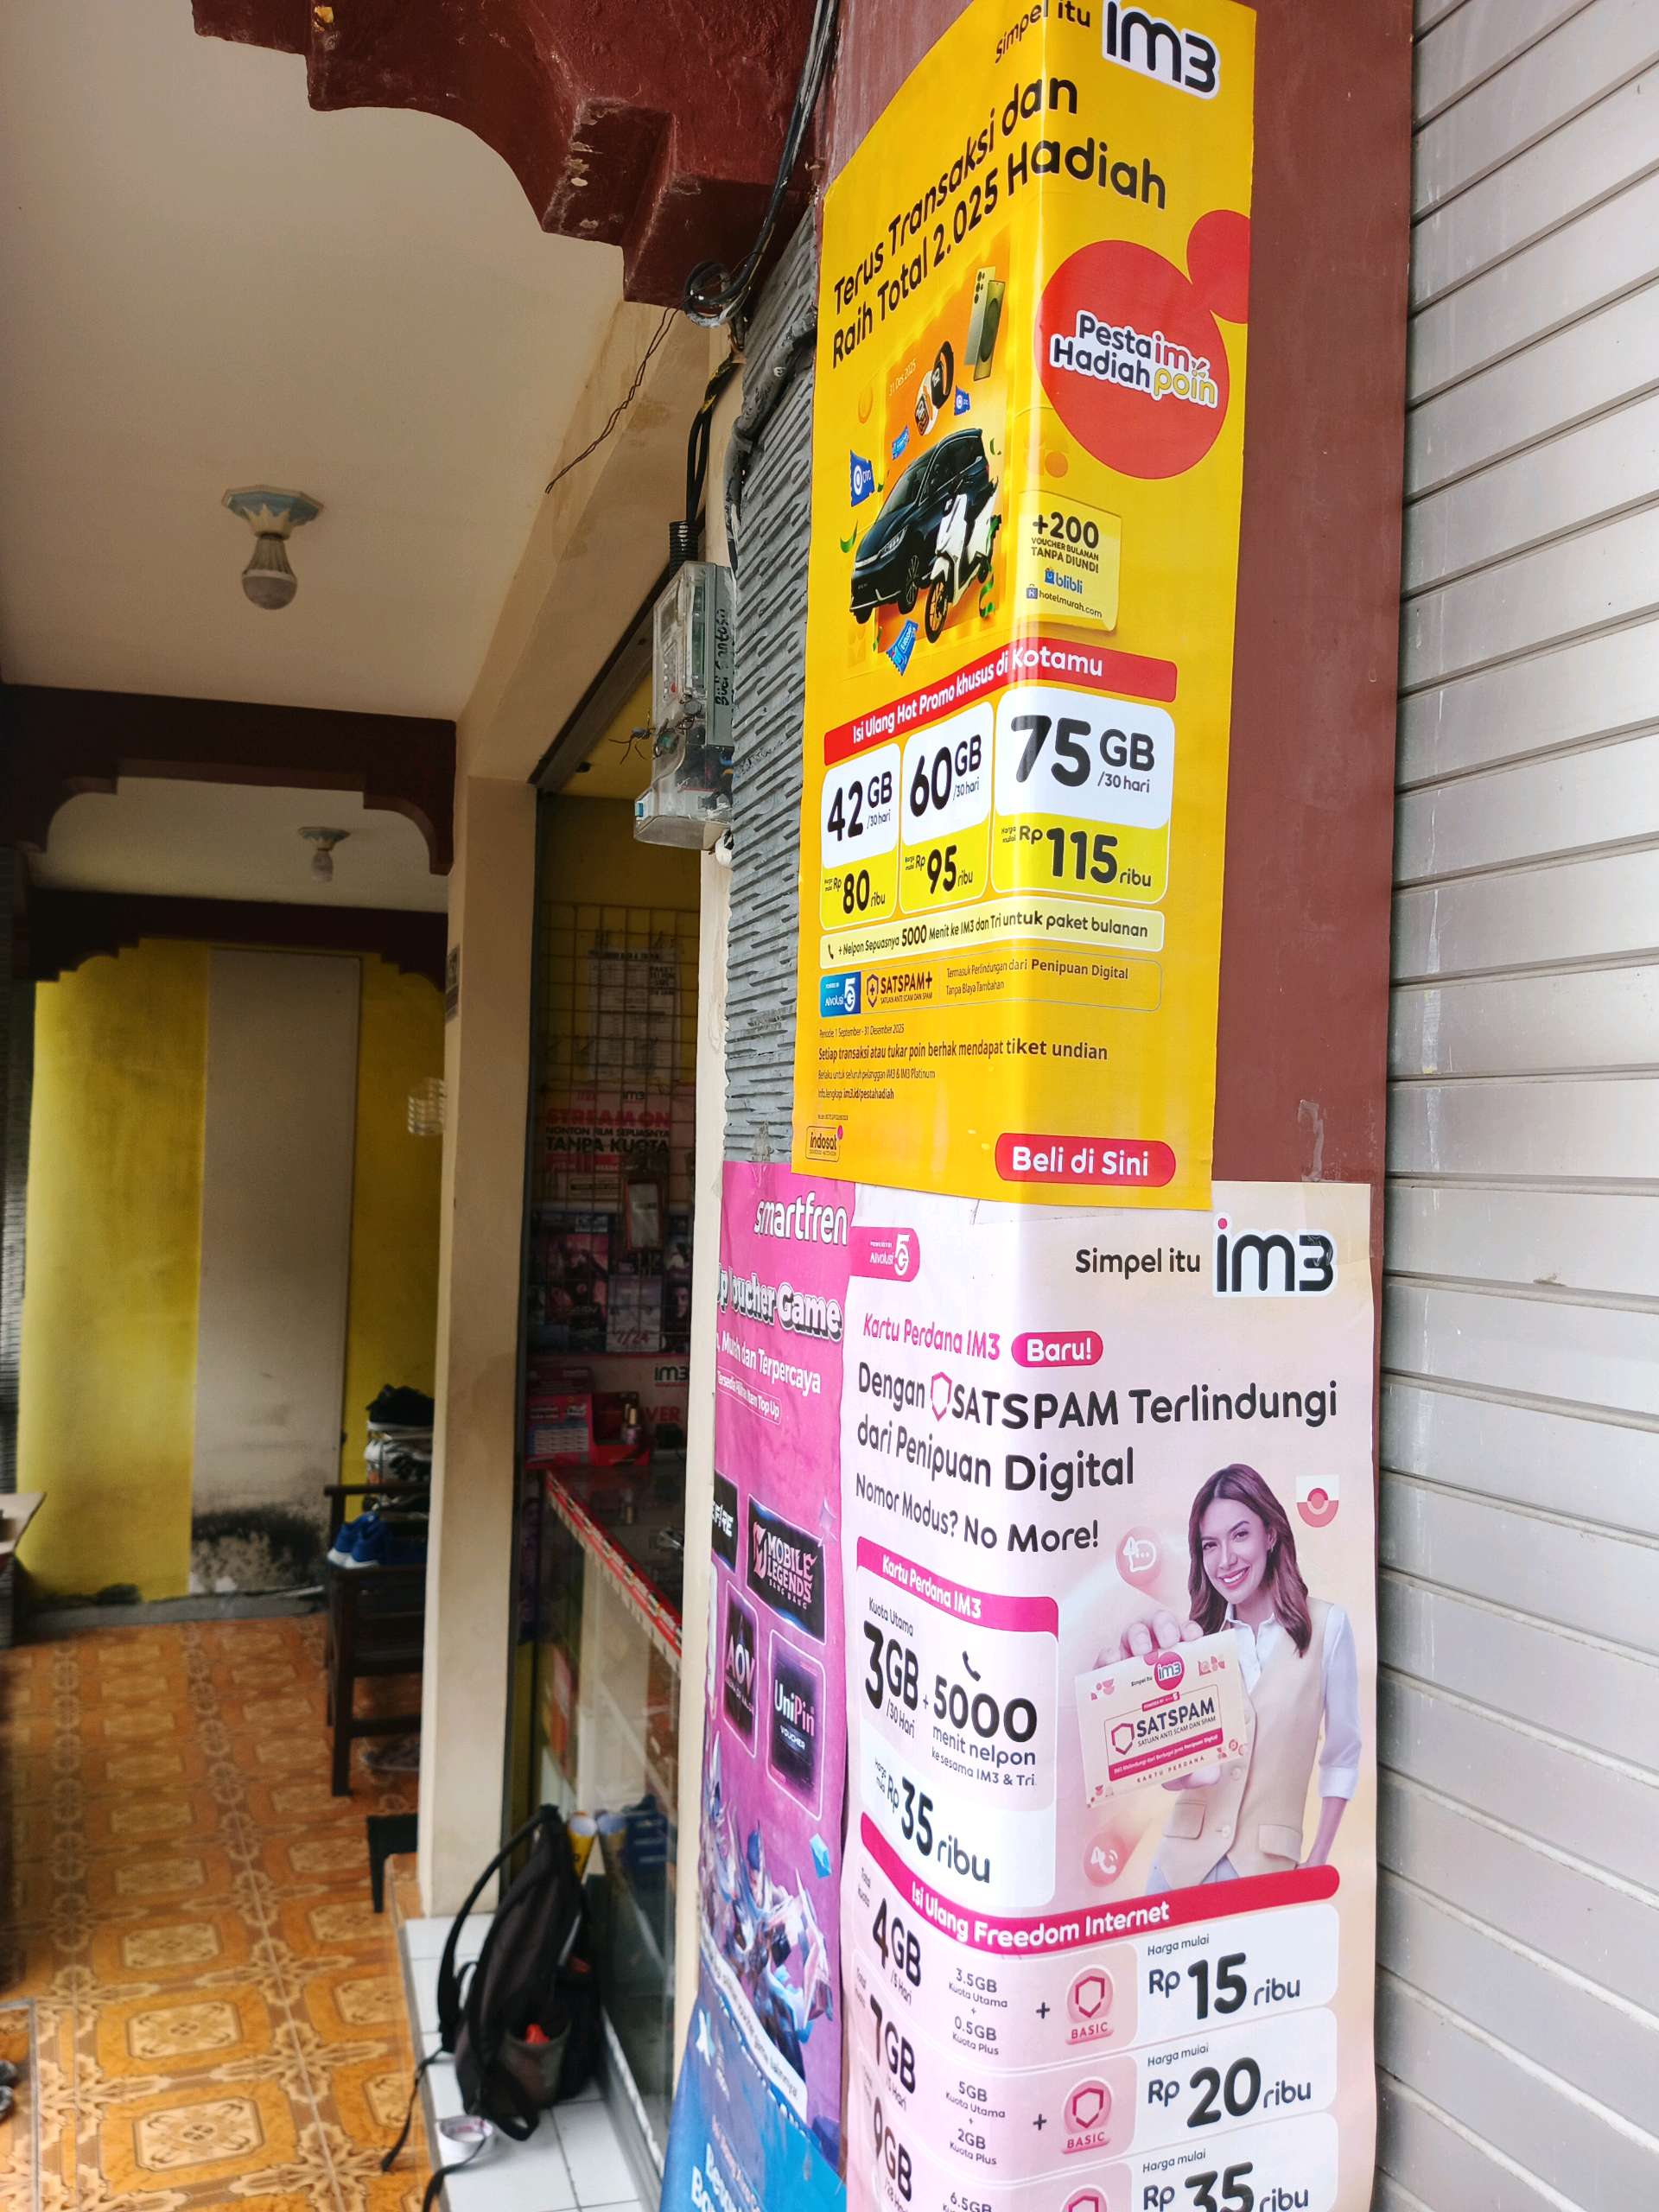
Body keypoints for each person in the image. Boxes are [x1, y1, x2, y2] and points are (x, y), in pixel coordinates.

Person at [1112, 1464, 1360, 1891]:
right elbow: (1175, 1771)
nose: (1225, 1559)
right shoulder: (1196, 1640)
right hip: (1177, 1869)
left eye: (1240, 1535)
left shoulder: (1328, 1627)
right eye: (1210, 1545)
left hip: (1266, 1869)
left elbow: (1342, 1753)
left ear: (1271, 1534)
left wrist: (1319, 1856)